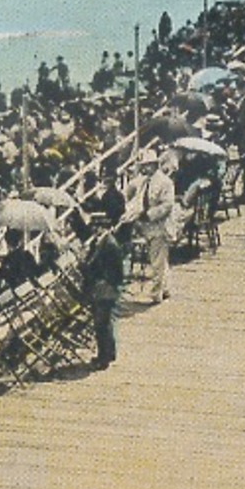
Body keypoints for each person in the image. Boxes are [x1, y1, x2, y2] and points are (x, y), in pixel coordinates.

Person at [124, 150, 176, 304]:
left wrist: (150, 214)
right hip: (148, 226)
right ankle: (165, 288)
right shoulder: (145, 182)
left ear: (154, 165)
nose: (144, 169)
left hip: (160, 225)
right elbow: (137, 199)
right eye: (143, 166)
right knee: (159, 258)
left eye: (146, 166)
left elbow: (167, 205)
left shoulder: (165, 182)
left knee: (157, 260)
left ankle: (156, 293)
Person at [83, 224, 126, 369]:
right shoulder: (102, 242)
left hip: (106, 289)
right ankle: (109, 352)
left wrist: (104, 281)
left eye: (98, 228)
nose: (96, 231)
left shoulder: (109, 245)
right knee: (106, 322)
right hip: (104, 287)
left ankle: (103, 358)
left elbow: (115, 272)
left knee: (101, 324)